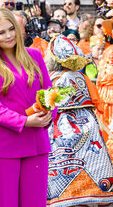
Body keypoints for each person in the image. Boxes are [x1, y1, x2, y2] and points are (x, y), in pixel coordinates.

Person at [0, 8, 54, 206]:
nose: (9, 35)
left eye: (11, 29)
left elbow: (49, 92)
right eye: (1, 32)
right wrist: (25, 121)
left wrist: (49, 113)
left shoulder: (34, 55)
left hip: (35, 143)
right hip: (1, 145)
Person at [45, 34, 113, 206]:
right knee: (93, 160)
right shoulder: (80, 77)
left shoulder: (50, 76)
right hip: (85, 124)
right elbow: (94, 99)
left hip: (59, 125)